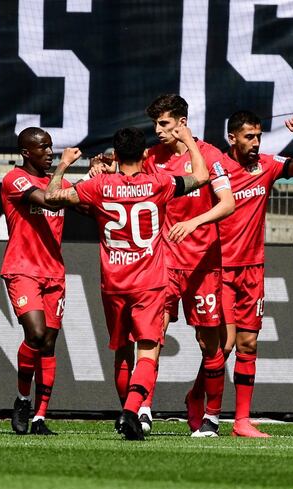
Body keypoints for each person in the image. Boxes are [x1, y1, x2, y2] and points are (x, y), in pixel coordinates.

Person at [44, 126, 210, 440]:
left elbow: (53, 196)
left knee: (122, 352)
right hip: (149, 281)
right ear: (145, 154)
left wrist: (63, 166)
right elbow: (201, 176)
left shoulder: (98, 186)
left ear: (116, 155)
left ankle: (127, 413)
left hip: (114, 282)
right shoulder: (159, 183)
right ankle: (132, 411)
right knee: (148, 350)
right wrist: (188, 140)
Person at [204, 111, 293, 438]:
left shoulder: (266, 165)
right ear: (232, 138)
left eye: (258, 137)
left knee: (249, 344)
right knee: (223, 347)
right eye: (248, 137)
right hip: (221, 270)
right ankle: (200, 400)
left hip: (253, 271)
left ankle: (241, 421)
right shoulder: (217, 170)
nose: (255, 143)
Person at [142, 94, 235, 437]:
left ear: (182, 123)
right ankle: (143, 409)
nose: (158, 130)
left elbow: (227, 204)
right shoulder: (152, 157)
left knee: (209, 344)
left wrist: (196, 223)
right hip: (164, 263)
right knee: (154, 334)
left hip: (203, 265)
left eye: (164, 123)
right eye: (155, 124)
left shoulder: (211, 156)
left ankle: (211, 416)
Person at [1, 127, 82, 435]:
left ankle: (39, 417)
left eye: (51, 147)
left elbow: (86, 203)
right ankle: (23, 399)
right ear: (26, 152)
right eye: (43, 148)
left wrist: (100, 178)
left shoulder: (57, 182)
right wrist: (63, 167)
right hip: (22, 269)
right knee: (35, 334)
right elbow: (49, 201)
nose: (49, 152)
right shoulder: (15, 179)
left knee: (48, 344)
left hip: (54, 272)